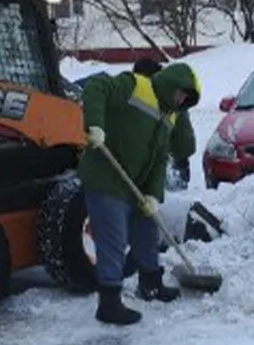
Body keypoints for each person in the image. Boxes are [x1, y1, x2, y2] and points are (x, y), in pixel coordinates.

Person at [79, 61, 202, 325]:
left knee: (147, 231)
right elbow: (97, 87)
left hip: (138, 184)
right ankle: (109, 303)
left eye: (186, 99)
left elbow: (161, 159)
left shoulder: (170, 115)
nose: (181, 101)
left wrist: (154, 196)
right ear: (171, 84)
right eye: (181, 94)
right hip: (107, 177)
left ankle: (151, 285)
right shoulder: (134, 85)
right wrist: (95, 125)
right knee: (113, 239)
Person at [132, 57, 196, 189]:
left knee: (172, 192)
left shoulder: (160, 97)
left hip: (174, 152)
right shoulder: (169, 90)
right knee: (178, 190)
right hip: (182, 151)